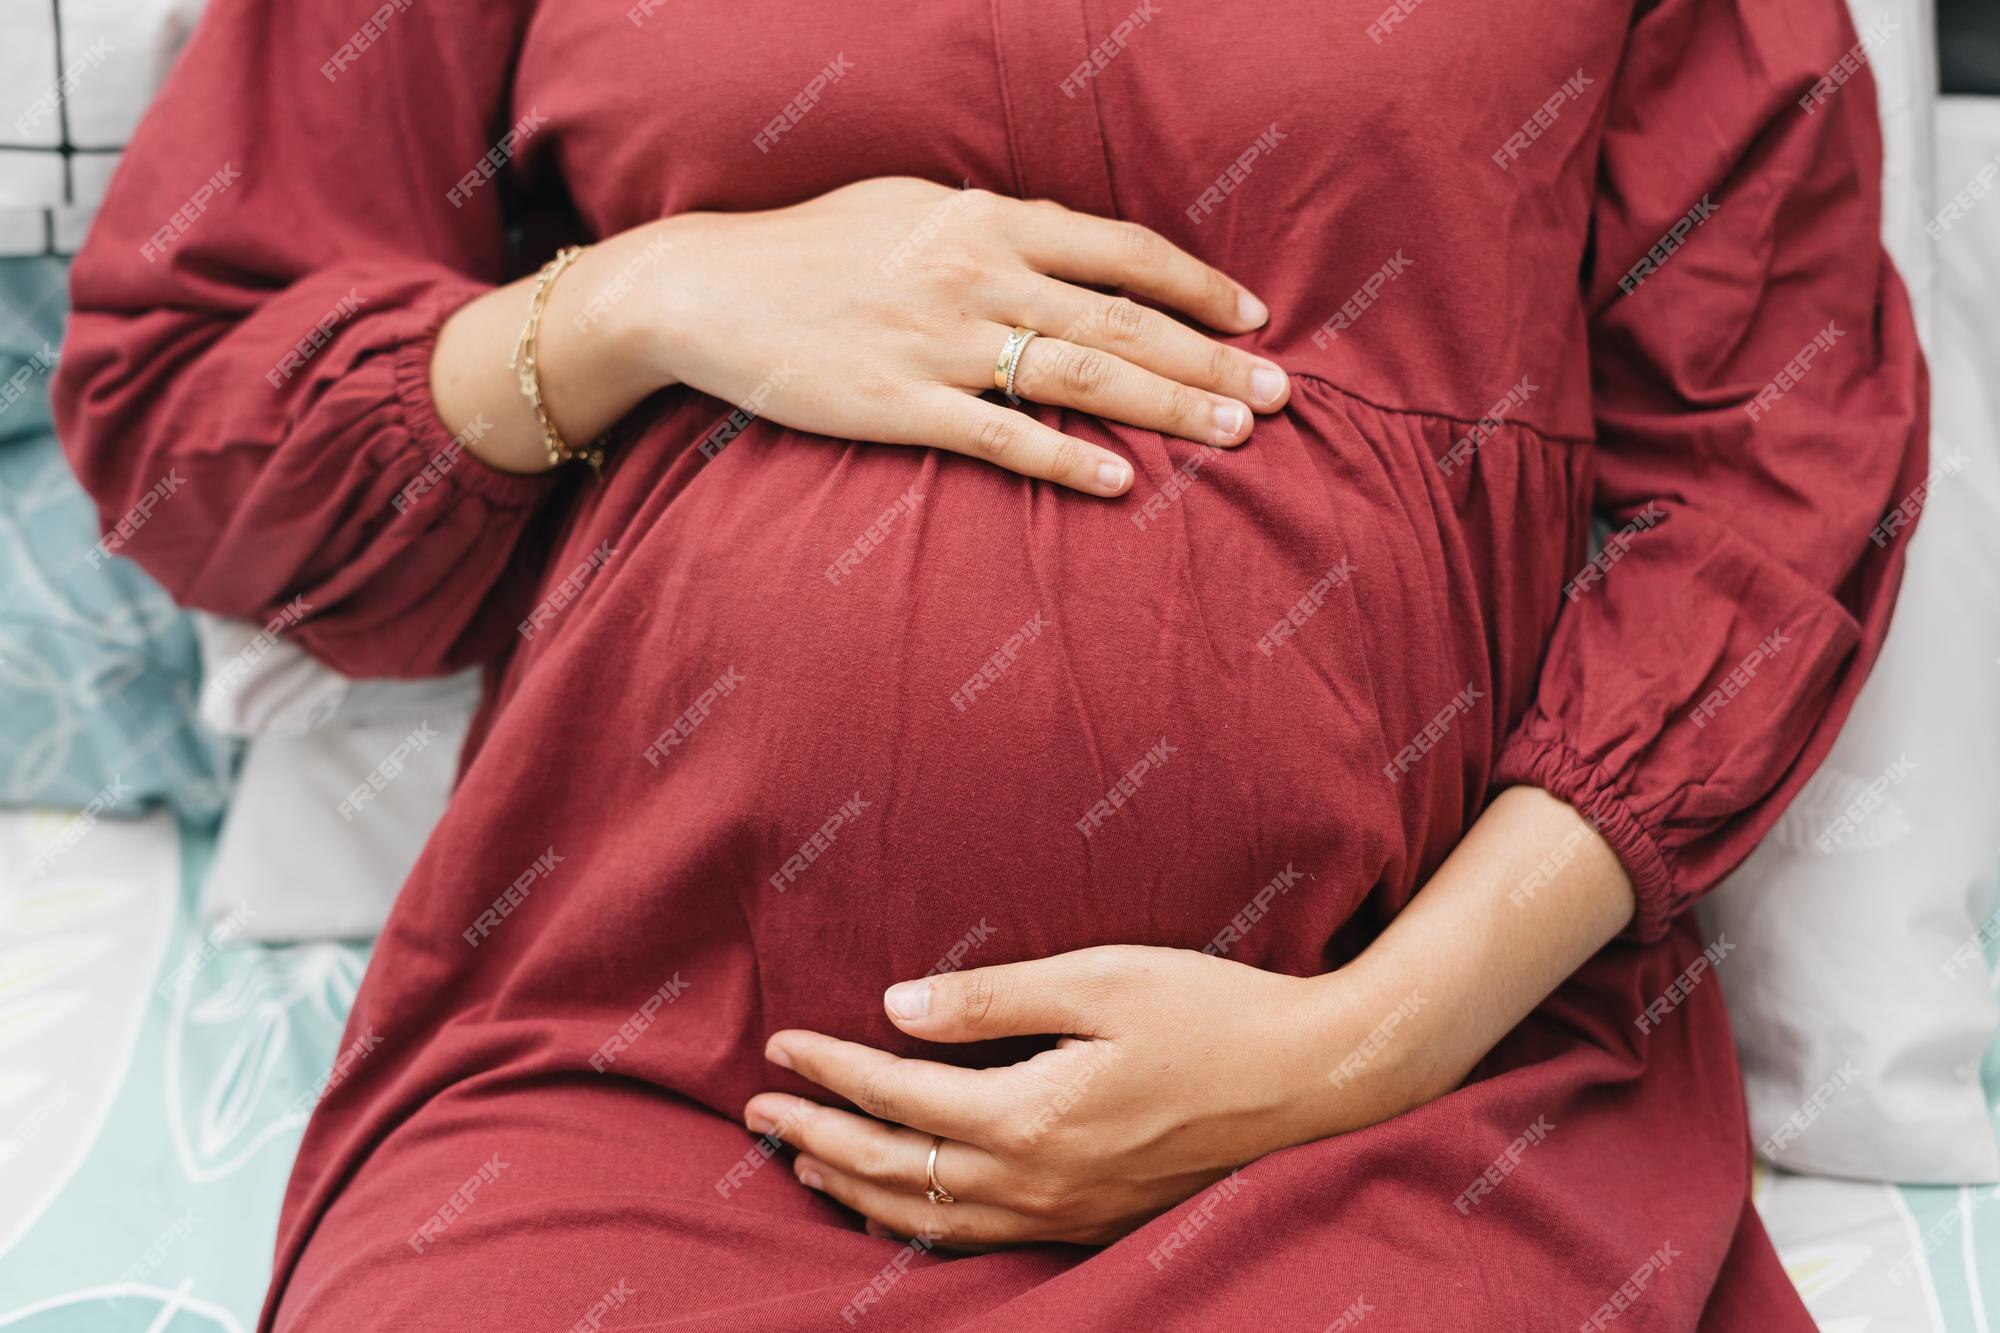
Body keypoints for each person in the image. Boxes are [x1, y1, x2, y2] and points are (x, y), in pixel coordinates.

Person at [53, 0, 1926, 1327]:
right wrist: (642, 296)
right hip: (640, 1077)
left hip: (1398, 1099)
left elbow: (1772, 483)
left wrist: (1364, 1043)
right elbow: (185, 413)